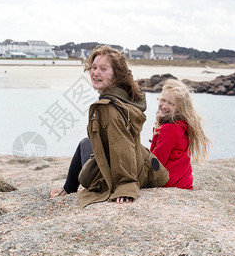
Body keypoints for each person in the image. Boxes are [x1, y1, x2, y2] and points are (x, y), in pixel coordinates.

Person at [50, 45, 169, 207]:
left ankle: (67, 191)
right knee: (86, 143)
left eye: (103, 69)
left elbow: (122, 146)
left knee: (85, 147)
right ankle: (67, 190)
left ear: (116, 76)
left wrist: (125, 187)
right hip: (141, 166)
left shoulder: (109, 108)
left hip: (118, 174)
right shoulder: (125, 97)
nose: (96, 73)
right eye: (94, 68)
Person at [150, 79, 211, 189]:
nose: (164, 106)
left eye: (171, 104)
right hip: (183, 182)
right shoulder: (181, 125)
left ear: (180, 108)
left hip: (170, 182)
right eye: (163, 100)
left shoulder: (169, 129)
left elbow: (156, 162)